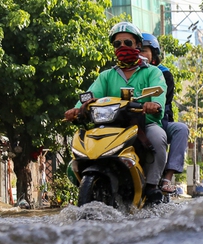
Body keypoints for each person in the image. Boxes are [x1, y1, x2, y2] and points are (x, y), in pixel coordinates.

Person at [64, 22, 167, 203]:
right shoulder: (106, 75)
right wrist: (76, 109)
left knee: (158, 139)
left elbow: (159, 92)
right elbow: (90, 96)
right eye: (117, 44)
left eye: (127, 42)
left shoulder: (152, 72)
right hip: (111, 126)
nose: (122, 47)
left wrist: (154, 105)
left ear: (137, 45)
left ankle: (152, 186)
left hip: (143, 123)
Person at [140, 32, 189, 195]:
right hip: (127, 119)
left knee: (181, 129)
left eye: (144, 50)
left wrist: (152, 105)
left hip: (157, 120)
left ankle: (166, 178)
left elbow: (163, 100)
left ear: (154, 54)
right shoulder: (120, 72)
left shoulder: (161, 73)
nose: (140, 54)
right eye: (137, 50)